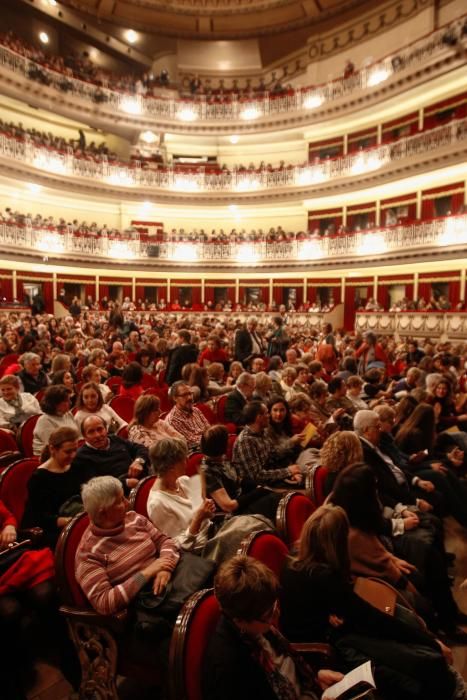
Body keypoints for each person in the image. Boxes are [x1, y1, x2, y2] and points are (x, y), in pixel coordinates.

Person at [280, 504, 464, 700]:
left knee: (411, 633)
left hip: (333, 630)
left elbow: (326, 606)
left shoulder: (293, 559)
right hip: (329, 650)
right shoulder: (323, 576)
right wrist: (432, 642)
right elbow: (372, 619)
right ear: (338, 541)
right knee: (423, 668)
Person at [202, 555, 343, 700]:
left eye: (275, 604)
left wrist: (316, 678)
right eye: (269, 614)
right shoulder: (228, 669)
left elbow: (285, 668)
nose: (277, 613)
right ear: (239, 620)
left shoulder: (255, 625)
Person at [75, 475, 180, 616]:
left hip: (170, 582)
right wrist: (147, 573)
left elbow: (165, 541)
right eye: (120, 501)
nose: (127, 502)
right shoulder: (88, 553)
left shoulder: (134, 518)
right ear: (103, 512)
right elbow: (104, 602)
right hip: (146, 607)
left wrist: (165, 568)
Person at [147, 437, 215, 551]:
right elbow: (177, 546)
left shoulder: (184, 480)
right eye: (183, 459)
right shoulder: (157, 504)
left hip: (213, 531)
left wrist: (208, 511)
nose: (187, 462)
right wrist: (198, 519)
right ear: (171, 467)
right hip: (201, 550)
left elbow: (207, 518)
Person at [201, 424, 281, 522]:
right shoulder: (207, 472)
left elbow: (239, 479)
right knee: (274, 502)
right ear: (221, 446)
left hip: (240, 504)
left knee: (275, 497)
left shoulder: (220, 460)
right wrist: (258, 492)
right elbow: (228, 506)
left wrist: (260, 487)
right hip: (230, 517)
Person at [22, 427, 82, 547]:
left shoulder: (74, 466)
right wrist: (69, 521)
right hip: (47, 528)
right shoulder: (39, 478)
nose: (73, 455)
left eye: (75, 450)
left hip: (71, 518)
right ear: (52, 449)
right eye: (68, 452)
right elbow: (38, 517)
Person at [232, 401, 302, 487]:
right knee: (308, 483)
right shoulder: (245, 441)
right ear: (259, 417)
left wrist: (291, 472)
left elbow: (274, 455)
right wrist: (287, 472)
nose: (269, 416)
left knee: (308, 476)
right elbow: (257, 476)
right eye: (266, 413)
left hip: (272, 477)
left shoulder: (263, 432)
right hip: (258, 488)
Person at [71, 415, 148, 490]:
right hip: (115, 495)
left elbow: (140, 448)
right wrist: (125, 483)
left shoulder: (115, 439)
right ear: (84, 436)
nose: (97, 435)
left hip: (141, 481)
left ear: (106, 429)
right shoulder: (81, 457)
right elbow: (94, 487)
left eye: (100, 429)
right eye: (91, 432)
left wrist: (139, 461)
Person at [32, 384, 77, 456]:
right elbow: (54, 447)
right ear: (55, 403)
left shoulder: (67, 414)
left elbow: (77, 436)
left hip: (70, 452)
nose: (70, 403)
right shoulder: (44, 420)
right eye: (66, 401)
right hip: (49, 458)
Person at [165, 381, 209, 452]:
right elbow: (191, 443)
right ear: (175, 398)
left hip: (208, 445)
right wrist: (211, 437)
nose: (189, 397)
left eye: (190, 393)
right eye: (184, 395)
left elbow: (208, 429)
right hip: (194, 452)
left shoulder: (196, 410)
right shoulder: (173, 420)